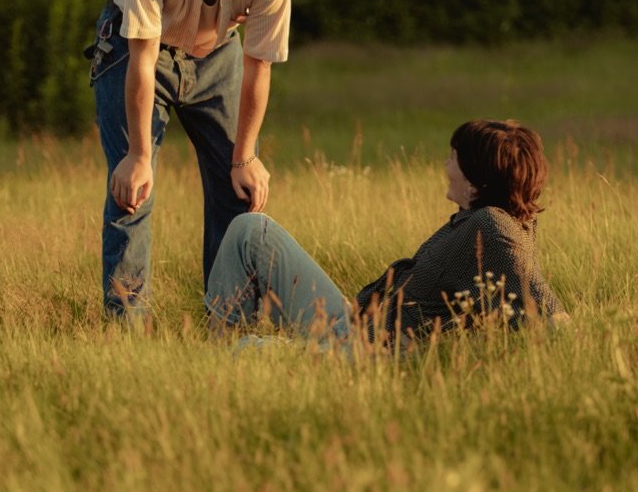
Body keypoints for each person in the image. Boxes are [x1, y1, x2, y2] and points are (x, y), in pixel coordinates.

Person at [87, 0, 290, 322]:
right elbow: (141, 59)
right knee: (131, 189)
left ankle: (229, 322)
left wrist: (246, 157)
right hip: (137, 49)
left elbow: (258, 68)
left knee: (240, 189)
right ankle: (127, 327)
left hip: (218, 55)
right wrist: (138, 155)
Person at [204, 119, 565, 351]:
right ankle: (220, 338)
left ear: (476, 181)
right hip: (354, 323)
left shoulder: (493, 228)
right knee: (251, 228)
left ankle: (223, 357)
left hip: (366, 353)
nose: (445, 165)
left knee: (248, 352)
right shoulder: (476, 218)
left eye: (454, 158)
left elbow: (550, 315)